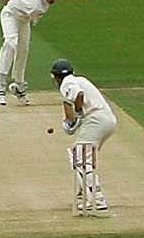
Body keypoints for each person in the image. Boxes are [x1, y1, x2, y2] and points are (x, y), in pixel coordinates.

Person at [49, 61, 118, 215]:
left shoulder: (66, 84)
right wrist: (72, 122)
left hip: (95, 120)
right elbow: (71, 113)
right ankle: (83, 195)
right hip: (108, 119)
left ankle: (97, 199)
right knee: (83, 156)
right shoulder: (80, 80)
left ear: (55, 77)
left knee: (79, 158)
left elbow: (79, 95)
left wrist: (78, 113)